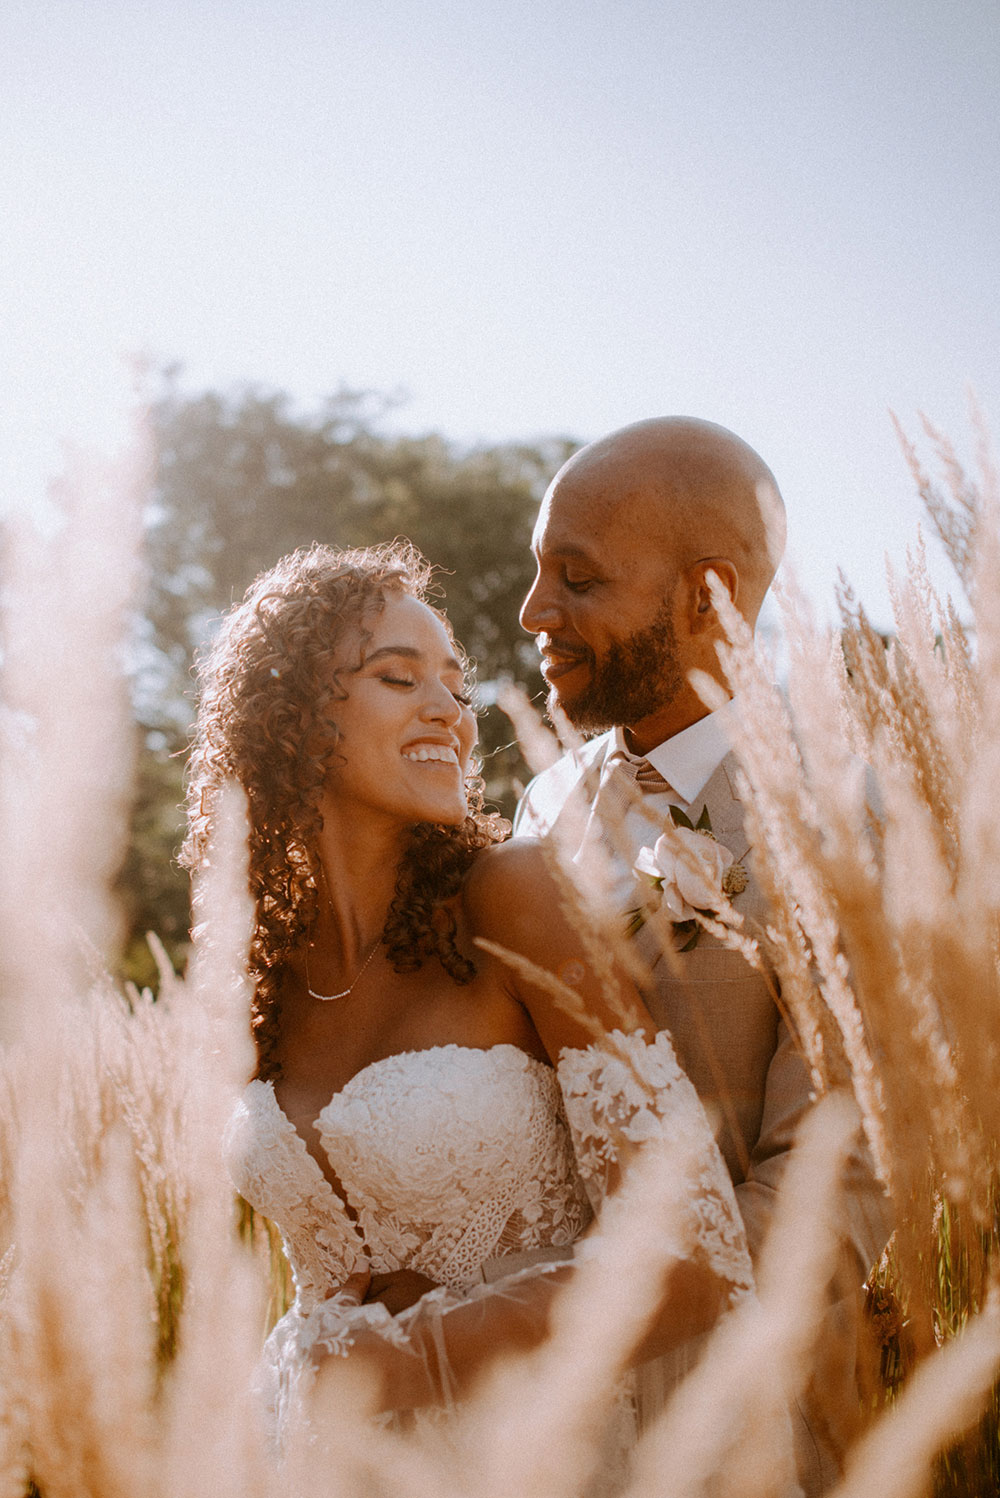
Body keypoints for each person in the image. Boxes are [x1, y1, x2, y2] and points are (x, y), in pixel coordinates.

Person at [182, 540, 754, 1485]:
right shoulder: (251, 978)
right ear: (289, 718)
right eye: (397, 677)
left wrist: (414, 1357)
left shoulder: (514, 898)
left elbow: (694, 1258)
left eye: (455, 684)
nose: (449, 710)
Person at [514, 416, 889, 1495]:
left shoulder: (844, 816)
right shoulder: (541, 804)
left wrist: (614, 1352)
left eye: (574, 578)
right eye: (538, 573)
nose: (535, 612)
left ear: (707, 595)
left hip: (740, 1424)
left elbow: (836, 1175)